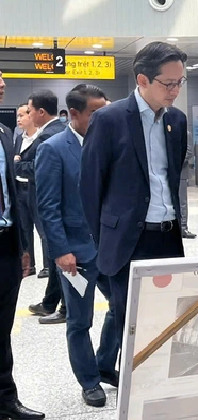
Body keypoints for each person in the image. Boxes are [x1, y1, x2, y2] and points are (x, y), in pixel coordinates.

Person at [81, 41, 188, 347]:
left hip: (167, 237)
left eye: (180, 82)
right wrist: (103, 240)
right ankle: (131, 389)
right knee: (131, 323)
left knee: (169, 320)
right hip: (128, 241)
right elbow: (90, 188)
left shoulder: (175, 121)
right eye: (168, 83)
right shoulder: (109, 119)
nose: (175, 90)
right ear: (143, 80)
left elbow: (173, 175)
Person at [35, 85, 119, 408]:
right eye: (96, 113)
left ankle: (104, 362)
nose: (103, 118)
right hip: (76, 252)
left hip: (110, 248)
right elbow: (48, 207)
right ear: (75, 114)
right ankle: (89, 380)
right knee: (80, 321)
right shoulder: (53, 149)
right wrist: (60, 251)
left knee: (121, 307)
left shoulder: (110, 145)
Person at [0, 70, 45, 420]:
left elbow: (11, 193)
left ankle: (5, 400)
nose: (2, 85)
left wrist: (23, 245)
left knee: (2, 328)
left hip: (5, 244)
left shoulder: (4, 134)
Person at [24, 90, 68, 324]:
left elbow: (36, 169)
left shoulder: (47, 137)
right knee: (54, 255)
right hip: (57, 203)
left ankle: (63, 306)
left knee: (57, 254)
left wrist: (17, 164)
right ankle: (52, 302)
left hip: (52, 204)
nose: (27, 116)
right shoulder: (60, 130)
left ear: (41, 112)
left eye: (29, 111)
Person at [13, 104, 38, 277]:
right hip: (19, 189)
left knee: (42, 228)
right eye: (17, 116)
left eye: (22, 115)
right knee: (24, 228)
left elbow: (37, 167)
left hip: (34, 187)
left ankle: (48, 267)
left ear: (31, 115)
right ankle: (31, 265)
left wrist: (17, 164)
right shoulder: (19, 139)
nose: (18, 119)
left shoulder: (41, 138)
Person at [179, 129, 196, 239]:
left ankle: (183, 227)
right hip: (164, 172)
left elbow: (189, 152)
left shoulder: (186, 133)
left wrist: (174, 161)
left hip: (180, 171)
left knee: (182, 201)